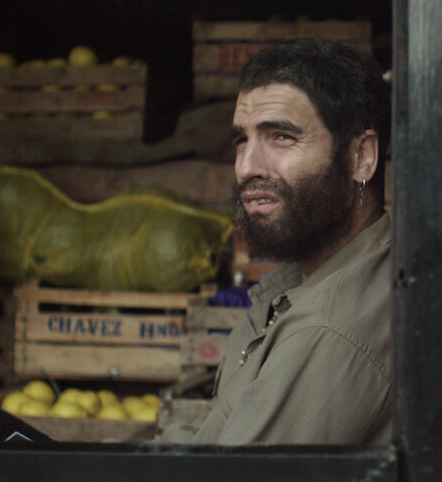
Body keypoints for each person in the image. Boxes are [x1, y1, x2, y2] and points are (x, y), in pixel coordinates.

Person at [159, 38, 392, 445]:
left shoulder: (327, 331)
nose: (247, 167)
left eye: (281, 137)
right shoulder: (303, 283)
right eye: (241, 141)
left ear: (362, 158)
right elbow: (209, 447)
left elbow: (225, 474)